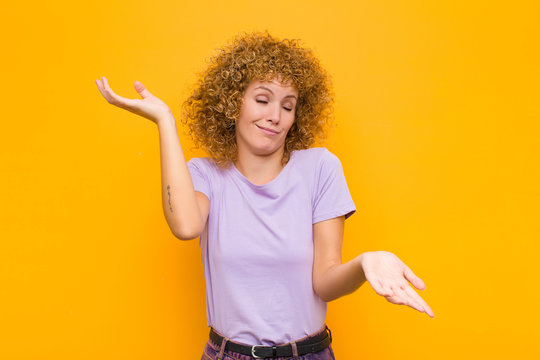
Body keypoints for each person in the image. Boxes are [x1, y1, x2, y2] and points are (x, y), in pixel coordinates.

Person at [95, 30, 434, 360]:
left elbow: (326, 282)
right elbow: (185, 226)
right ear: (232, 105)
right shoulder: (205, 175)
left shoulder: (320, 169)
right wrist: (164, 121)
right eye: (262, 100)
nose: (275, 116)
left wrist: (365, 263)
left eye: (288, 106)